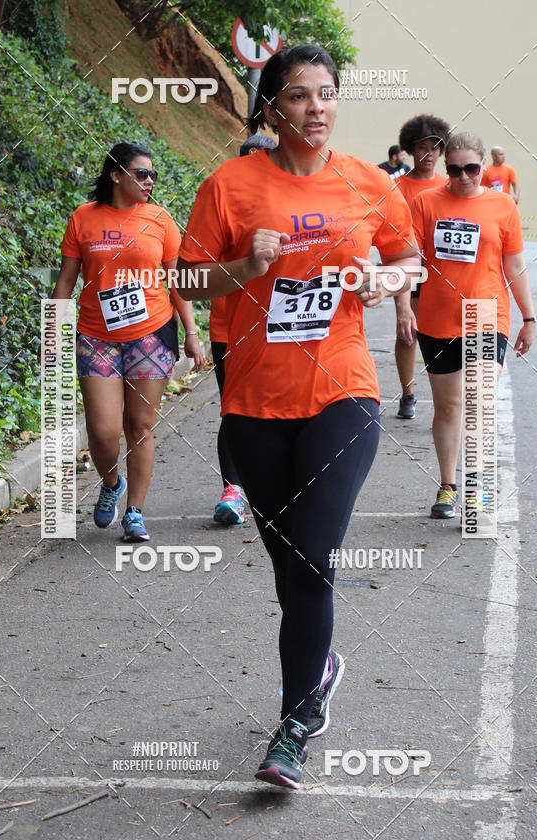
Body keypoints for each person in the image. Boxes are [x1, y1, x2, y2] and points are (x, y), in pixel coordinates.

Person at [177, 45, 420, 788]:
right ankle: (319, 670)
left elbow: (410, 260)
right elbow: (185, 278)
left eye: (327, 92)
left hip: (343, 393)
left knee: (313, 557)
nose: (317, 107)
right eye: (299, 95)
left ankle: (293, 727)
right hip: (254, 402)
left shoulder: (369, 182)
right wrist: (246, 268)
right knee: (293, 572)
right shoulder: (230, 185)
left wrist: (386, 280)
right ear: (270, 108)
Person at [53, 142, 204, 541]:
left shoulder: (160, 219)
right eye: (141, 173)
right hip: (96, 336)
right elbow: (66, 281)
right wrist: (52, 330)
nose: (149, 181)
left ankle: (135, 511)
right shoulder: (83, 218)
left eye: (153, 174)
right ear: (116, 175)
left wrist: (191, 332)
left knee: (140, 425)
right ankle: (111, 483)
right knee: (103, 431)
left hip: (151, 334)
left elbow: (177, 281)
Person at [412, 132, 536, 518]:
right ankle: (448, 486)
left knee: (479, 403)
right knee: (449, 407)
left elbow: (514, 265)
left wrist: (528, 317)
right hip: (436, 317)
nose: (463, 177)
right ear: (445, 167)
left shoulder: (502, 205)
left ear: (483, 166)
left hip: (485, 313)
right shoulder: (425, 202)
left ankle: (476, 489)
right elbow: (410, 260)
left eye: (471, 168)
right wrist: (400, 301)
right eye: (454, 170)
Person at [211, 133, 278, 526]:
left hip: (283, 329)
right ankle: (233, 490)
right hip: (229, 328)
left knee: (279, 409)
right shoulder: (223, 203)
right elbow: (196, 271)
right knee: (234, 409)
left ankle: (274, 484)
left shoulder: (293, 203)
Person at [393, 113, 450, 420]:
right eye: (421, 148)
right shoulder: (397, 187)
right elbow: (391, 240)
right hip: (409, 270)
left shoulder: (450, 185)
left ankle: (446, 399)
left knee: (444, 335)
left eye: (435, 148)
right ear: (410, 149)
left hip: (444, 271)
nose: (428, 154)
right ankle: (408, 393)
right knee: (407, 331)